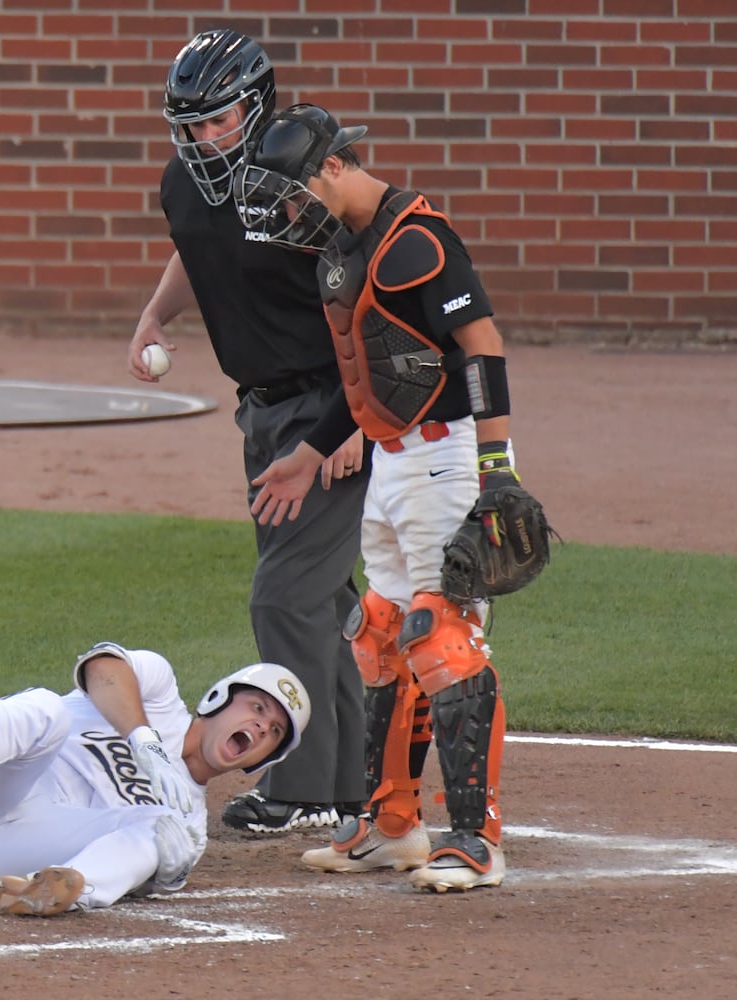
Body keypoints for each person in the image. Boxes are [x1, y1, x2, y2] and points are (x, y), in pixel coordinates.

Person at [231, 102, 525, 891]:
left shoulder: (419, 242)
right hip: (391, 465)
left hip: (444, 459)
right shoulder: (344, 255)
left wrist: (497, 465)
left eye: (295, 191)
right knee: (382, 641)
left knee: (440, 635)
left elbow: (479, 348)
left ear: (333, 167)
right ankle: (390, 825)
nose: (289, 210)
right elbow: (368, 376)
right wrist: (308, 453)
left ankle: (475, 838)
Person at [126, 28, 368, 835]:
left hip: (329, 413)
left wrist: (353, 420)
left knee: (285, 597)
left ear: (256, 106)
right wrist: (157, 313)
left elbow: (359, 303)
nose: (203, 138)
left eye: (218, 120)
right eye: (190, 124)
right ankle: (346, 780)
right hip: (261, 413)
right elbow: (195, 253)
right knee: (321, 602)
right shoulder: (184, 185)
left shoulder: (300, 185)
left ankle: (302, 786)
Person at [0, 641, 311, 915]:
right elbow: (103, 667)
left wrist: (166, 868)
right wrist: (142, 737)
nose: (259, 727)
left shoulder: (189, 823)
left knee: (166, 834)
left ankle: (61, 893)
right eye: (257, 707)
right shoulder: (159, 693)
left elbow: (154, 875)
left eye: (273, 732)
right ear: (219, 698)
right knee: (45, 708)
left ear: (263, 760)